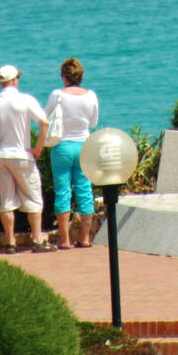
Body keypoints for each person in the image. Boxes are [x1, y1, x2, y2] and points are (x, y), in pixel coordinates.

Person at [0, 64, 55, 253]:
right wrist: (38, 149)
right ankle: (37, 240)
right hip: (22, 155)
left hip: (0, 157)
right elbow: (44, 123)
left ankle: (10, 243)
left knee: (6, 201)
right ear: (15, 80)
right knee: (33, 198)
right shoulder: (25, 100)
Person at [45, 58, 99, 249]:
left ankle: (65, 239)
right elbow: (93, 123)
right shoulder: (91, 96)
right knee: (85, 191)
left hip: (62, 146)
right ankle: (85, 238)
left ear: (64, 76)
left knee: (62, 191)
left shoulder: (57, 95)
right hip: (84, 145)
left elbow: (44, 118)